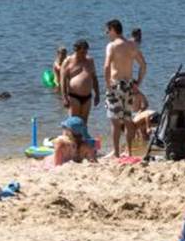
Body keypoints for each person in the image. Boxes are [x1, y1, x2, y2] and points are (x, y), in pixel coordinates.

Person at [103, 18, 147, 157]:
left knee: (115, 122)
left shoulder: (112, 46)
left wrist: (108, 85)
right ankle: (129, 152)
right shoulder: (132, 46)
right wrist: (138, 83)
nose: (107, 33)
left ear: (113, 30)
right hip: (128, 85)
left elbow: (106, 66)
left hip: (116, 85)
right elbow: (143, 65)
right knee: (128, 120)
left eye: (108, 30)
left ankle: (116, 153)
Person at [61, 39, 99, 124]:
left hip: (88, 97)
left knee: (84, 121)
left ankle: (83, 137)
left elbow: (94, 78)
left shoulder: (90, 60)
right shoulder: (68, 61)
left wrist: (97, 95)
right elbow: (62, 80)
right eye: (82, 52)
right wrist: (64, 97)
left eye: (86, 52)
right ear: (76, 50)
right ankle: (71, 137)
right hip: (74, 96)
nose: (84, 55)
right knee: (74, 122)